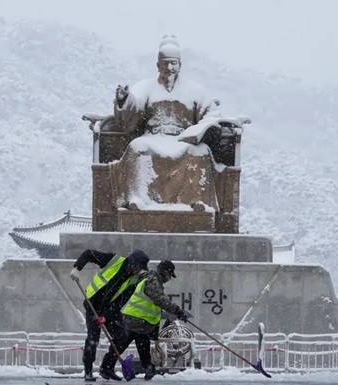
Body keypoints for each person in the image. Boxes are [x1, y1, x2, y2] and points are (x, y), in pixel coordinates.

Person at [107, 35, 248, 213]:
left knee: (201, 151)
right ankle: (137, 199)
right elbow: (132, 111)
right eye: (165, 63)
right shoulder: (146, 87)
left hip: (183, 140)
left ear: (180, 65)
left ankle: (198, 202)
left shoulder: (195, 91)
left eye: (173, 63)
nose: (169, 68)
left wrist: (203, 128)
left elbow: (211, 114)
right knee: (137, 147)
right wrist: (124, 100)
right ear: (158, 65)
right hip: (153, 138)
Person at [99, 260, 188, 381]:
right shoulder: (152, 281)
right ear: (164, 272)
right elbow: (160, 300)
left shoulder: (151, 279)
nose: (169, 279)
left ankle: (145, 368)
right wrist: (177, 311)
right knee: (124, 344)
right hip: (134, 319)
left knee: (140, 345)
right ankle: (108, 367)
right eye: (169, 275)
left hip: (140, 321)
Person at [70, 249, 150, 382]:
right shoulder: (113, 260)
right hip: (93, 305)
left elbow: (122, 300)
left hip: (111, 309)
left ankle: (107, 367)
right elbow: (89, 253)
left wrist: (106, 315)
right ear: (132, 262)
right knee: (93, 339)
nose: (138, 271)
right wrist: (77, 268)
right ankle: (88, 371)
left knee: (121, 336)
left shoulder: (135, 279)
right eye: (138, 267)